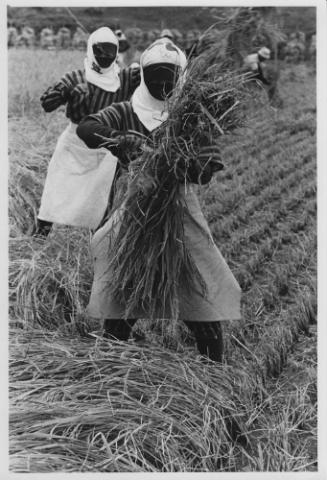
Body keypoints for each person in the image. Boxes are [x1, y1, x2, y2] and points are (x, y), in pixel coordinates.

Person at [77, 41, 241, 363]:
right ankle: (112, 361)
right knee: (125, 282)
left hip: (179, 214)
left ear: (180, 77)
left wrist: (193, 166)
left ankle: (214, 365)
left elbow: (205, 170)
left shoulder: (190, 117)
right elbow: (87, 126)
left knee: (197, 286)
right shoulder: (127, 110)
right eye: (155, 75)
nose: (163, 83)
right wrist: (120, 141)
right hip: (135, 211)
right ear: (143, 76)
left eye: (169, 76)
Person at [33, 27, 140, 238]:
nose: (104, 56)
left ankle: (97, 242)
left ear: (116, 52)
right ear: (90, 50)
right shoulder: (75, 77)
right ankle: (39, 236)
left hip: (105, 145)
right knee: (57, 189)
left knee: (100, 198)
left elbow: (151, 76)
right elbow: (46, 104)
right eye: (99, 51)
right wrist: (66, 93)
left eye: (110, 52)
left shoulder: (124, 79)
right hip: (73, 143)